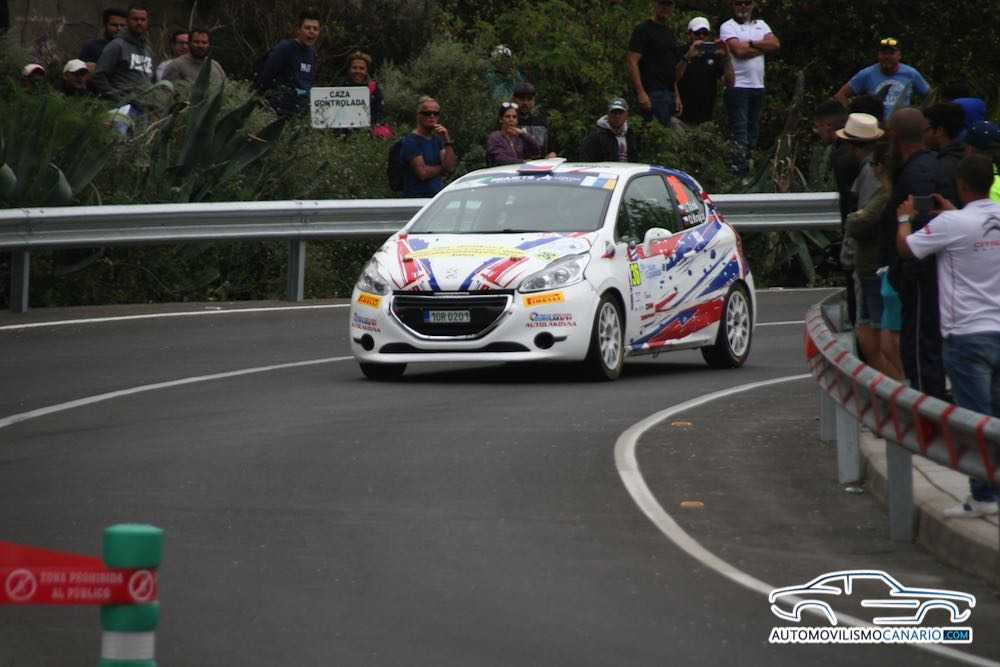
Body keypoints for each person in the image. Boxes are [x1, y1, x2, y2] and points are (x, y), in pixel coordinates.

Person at [897, 154, 1000, 517]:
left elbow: (907, 248)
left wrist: (904, 219)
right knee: (997, 417)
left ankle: (984, 496)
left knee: (975, 419)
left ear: (961, 185)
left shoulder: (952, 223)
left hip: (966, 334)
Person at [881, 107, 946, 400]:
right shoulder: (928, 165)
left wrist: (910, 268)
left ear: (896, 138)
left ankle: (927, 410)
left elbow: (923, 227)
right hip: (922, 271)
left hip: (921, 272)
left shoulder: (918, 173)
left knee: (919, 346)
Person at [840, 115, 897, 377]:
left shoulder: (872, 178)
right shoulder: (871, 174)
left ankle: (892, 383)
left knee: (876, 328)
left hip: (871, 263)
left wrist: (849, 253)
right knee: (871, 326)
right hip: (874, 262)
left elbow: (862, 220)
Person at [720, 0, 780, 177]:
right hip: (738, 86)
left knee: (753, 132)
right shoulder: (728, 26)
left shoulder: (761, 24)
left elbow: (775, 44)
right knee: (740, 133)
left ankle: (748, 170)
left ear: (752, 5)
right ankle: (738, 173)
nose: (743, 7)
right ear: (733, 5)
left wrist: (751, 44)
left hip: (757, 85)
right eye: (739, 3)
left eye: (746, 3)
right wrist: (762, 46)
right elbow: (739, 51)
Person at [834, 37, 930, 123]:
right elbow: (840, 95)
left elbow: (929, 95)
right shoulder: (867, 74)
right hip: (875, 126)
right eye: (884, 53)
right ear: (879, 55)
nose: (887, 57)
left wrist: (919, 115)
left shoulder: (911, 73)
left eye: (891, 53)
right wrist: (852, 118)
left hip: (901, 126)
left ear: (899, 55)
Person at [627, 0, 685, 127]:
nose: (665, 8)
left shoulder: (669, 33)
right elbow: (632, 61)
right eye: (662, 4)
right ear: (655, 5)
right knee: (654, 133)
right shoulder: (643, 29)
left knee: (668, 134)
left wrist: (677, 96)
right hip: (652, 93)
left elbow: (671, 68)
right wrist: (641, 92)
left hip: (669, 95)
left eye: (669, 4)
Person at [256, 10, 320, 116]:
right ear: (298, 30)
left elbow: (307, 84)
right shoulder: (285, 48)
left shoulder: (312, 54)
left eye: (315, 29)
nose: (311, 31)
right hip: (277, 111)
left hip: (299, 112)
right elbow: (265, 77)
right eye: (307, 28)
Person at [675, 16, 734, 126]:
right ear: (690, 33)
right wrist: (687, 57)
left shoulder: (713, 55)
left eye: (705, 33)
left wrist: (727, 57)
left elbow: (730, 83)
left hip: (705, 114)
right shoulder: (679, 52)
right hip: (682, 112)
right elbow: (672, 79)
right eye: (697, 33)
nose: (701, 36)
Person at [92, 4, 154, 104]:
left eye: (143, 19)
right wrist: (116, 98)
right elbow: (98, 75)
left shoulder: (148, 49)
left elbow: (150, 79)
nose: (139, 22)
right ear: (127, 21)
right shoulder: (117, 45)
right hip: (122, 105)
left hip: (145, 105)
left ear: (147, 22)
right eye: (135, 19)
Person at [399, 96, 457, 198]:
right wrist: (443, 169)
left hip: (436, 198)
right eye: (427, 113)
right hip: (416, 200)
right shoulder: (410, 141)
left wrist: (447, 141)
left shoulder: (437, 140)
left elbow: (450, 166)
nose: (432, 116)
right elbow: (423, 173)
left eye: (436, 113)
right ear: (418, 115)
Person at [922, 102, 966, 206]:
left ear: (939, 131)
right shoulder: (965, 156)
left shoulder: (942, 168)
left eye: (925, 130)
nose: (922, 135)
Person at [341, 51, 389, 137]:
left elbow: (380, 113)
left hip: (368, 132)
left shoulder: (374, 88)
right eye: (354, 67)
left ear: (366, 71)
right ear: (349, 69)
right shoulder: (340, 88)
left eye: (362, 68)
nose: (357, 71)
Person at [579, 98, 640, 163]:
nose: (617, 116)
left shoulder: (630, 134)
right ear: (608, 114)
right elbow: (587, 160)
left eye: (620, 113)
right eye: (614, 113)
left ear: (626, 114)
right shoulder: (596, 136)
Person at [161, 28, 226, 85]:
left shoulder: (215, 66)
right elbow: (164, 92)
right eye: (196, 42)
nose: (200, 46)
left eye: (204, 42)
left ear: (209, 45)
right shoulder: (176, 66)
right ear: (189, 43)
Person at [486, 102, 543, 166]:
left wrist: (523, 134)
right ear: (501, 119)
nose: (511, 119)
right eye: (507, 117)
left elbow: (536, 151)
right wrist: (523, 162)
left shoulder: (519, 138)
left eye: (514, 117)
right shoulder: (495, 137)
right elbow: (499, 158)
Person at [512, 82, 556, 157]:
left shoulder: (542, 123)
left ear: (534, 101)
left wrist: (552, 154)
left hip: (541, 163)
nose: (525, 103)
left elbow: (552, 149)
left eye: (529, 99)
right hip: (515, 163)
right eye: (522, 99)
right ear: (514, 99)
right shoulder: (507, 123)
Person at [79, 7, 128, 71]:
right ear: (105, 25)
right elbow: (80, 72)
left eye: (122, 25)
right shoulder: (91, 46)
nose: (119, 28)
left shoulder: (131, 48)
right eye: (114, 25)